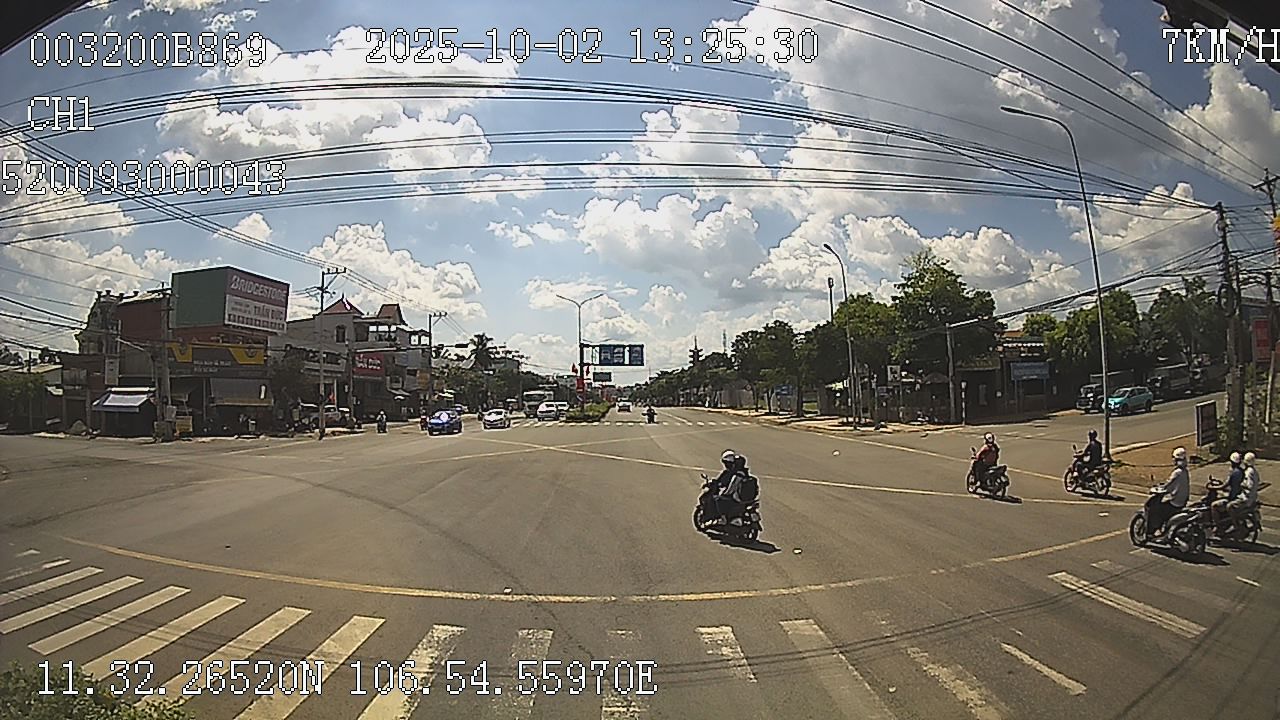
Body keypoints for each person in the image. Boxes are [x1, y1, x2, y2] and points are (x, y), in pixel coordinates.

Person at [1148, 447, 1191, 538]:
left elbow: (1168, 486)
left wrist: (1158, 489)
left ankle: (1157, 529)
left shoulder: (1177, 472)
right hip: (1182, 501)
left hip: (1175, 502)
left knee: (1157, 510)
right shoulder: (1184, 471)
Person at [1210, 452, 1244, 528]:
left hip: (1233, 497)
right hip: (1238, 494)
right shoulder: (1241, 471)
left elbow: (1224, 485)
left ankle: (1218, 526)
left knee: (1214, 506)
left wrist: (1214, 488)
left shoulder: (1233, 472)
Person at [1227, 451, 1260, 527]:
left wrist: (1241, 485)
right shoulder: (1254, 471)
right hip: (1252, 497)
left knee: (1229, 506)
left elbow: (1249, 485)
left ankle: (1236, 525)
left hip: (1246, 498)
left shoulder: (1248, 472)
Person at [716, 454, 751, 523]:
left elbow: (731, 489)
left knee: (719, 499)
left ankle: (723, 519)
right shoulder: (745, 473)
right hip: (748, 497)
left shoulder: (737, 475)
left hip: (738, 497)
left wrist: (722, 493)